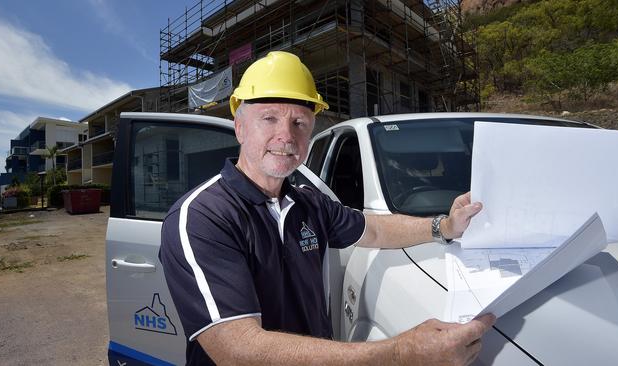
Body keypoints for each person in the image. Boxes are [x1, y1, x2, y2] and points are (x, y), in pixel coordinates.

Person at [160, 51, 495, 365]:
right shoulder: (203, 215)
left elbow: (374, 228)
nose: (286, 137)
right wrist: (402, 352)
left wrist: (444, 227)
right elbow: (237, 351)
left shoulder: (308, 203)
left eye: (300, 123)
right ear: (240, 127)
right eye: (269, 118)